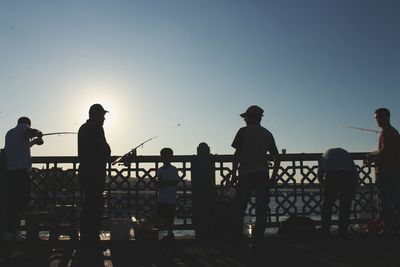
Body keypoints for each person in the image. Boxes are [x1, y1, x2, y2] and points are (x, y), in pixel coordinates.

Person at [230, 105, 280, 251]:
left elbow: (237, 155)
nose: (244, 120)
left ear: (250, 118)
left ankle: (238, 237)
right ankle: (258, 239)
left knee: (240, 207)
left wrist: (233, 174)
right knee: (262, 208)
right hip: (263, 174)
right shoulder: (267, 133)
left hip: (246, 173)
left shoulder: (243, 132)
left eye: (246, 117)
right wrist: (274, 176)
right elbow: (277, 156)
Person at [78, 104, 111, 260]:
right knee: (95, 205)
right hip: (94, 173)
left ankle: (85, 238)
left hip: (84, 171)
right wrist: (108, 150)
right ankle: (91, 239)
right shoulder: (96, 128)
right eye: (102, 115)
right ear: (96, 115)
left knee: (88, 205)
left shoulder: (83, 128)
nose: (104, 118)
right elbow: (102, 148)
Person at [2, 117, 43, 240]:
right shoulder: (24, 129)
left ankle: (10, 231)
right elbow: (30, 132)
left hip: (10, 172)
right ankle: (13, 230)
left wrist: (34, 142)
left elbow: (20, 147)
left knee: (12, 201)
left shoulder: (10, 133)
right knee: (24, 199)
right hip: (21, 172)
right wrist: (39, 133)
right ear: (27, 124)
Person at [365, 108, 400, 236]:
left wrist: (371, 156)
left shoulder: (386, 132)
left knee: (385, 201)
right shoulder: (395, 132)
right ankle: (394, 226)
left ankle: (388, 228)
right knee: (396, 200)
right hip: (395, 171)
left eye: (379, 117)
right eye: (376, 118)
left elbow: (385, 151)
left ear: (387, 117)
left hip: (385, 172)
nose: (377, 121)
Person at [317, 148, 358, 236]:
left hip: (332, 176)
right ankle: (343, 230)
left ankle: (325, 228)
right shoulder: (345, 153)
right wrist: (354, 184)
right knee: (345, 205)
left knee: (327, 204)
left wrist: (324, 184)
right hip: (348, 176)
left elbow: (320, 176)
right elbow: (354, 170)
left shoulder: (323, 157)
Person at [156, 147, 180, 241]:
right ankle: (167, 234)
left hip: (170, 198)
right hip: (162, 197)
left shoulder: (173, 169)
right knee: (164, 217)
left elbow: (175, 182)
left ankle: (170, 233)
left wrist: (164, 184)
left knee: (169, 217)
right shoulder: (160, 170)